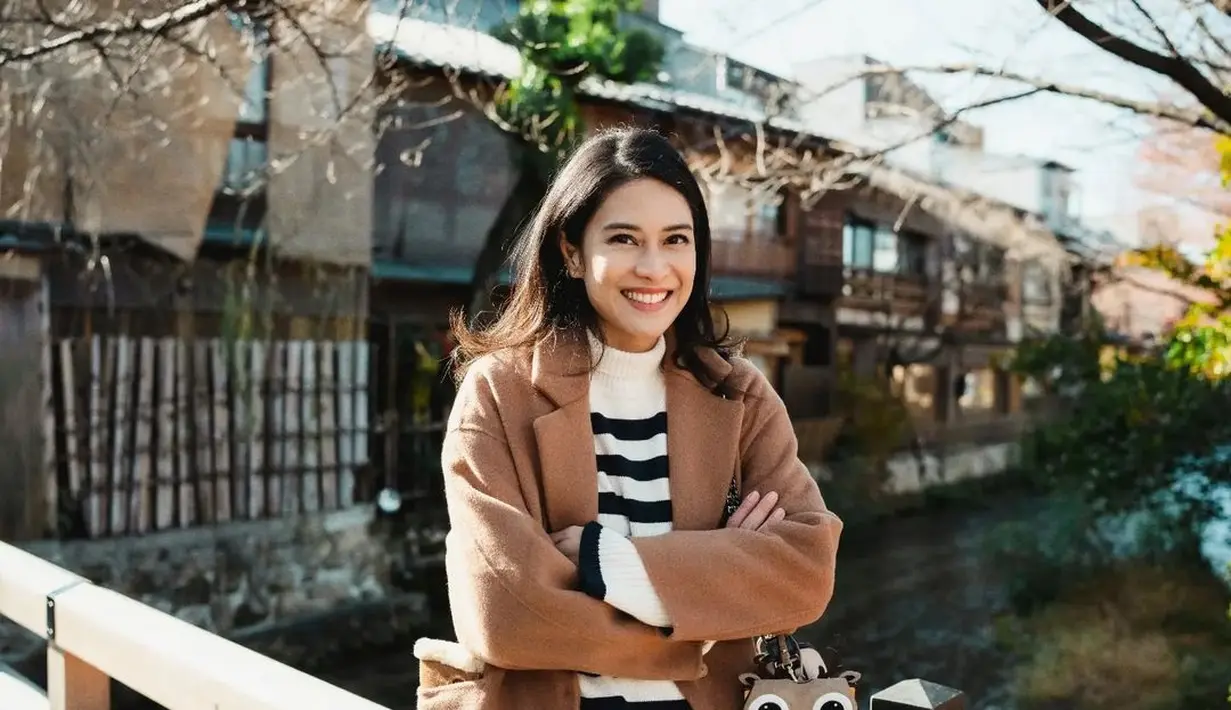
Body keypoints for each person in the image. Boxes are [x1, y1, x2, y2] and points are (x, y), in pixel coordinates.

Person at [418, 127, 843, 710]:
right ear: (572, 252)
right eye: (624, 239)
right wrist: (711, 604)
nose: (654, 267)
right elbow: (508, 613)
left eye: (676, 240)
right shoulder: (501, 393)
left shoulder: (738, 394)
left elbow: (806, 572)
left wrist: (606, 563)